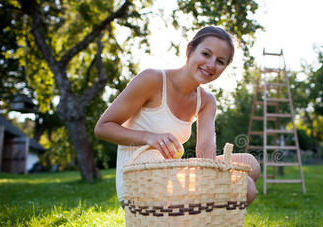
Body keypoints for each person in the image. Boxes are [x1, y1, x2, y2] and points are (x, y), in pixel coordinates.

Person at [94, 26, 260, 208]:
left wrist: (216, 176)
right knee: (241, 184)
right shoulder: (152, 79)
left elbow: (206, 155)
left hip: (172, 176)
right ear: (189, 50)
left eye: (220, 61)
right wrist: (149, 137)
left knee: (250, 166)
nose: (211, 65)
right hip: (138, 178)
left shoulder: (206, 101)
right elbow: (103, 127)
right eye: (206, 54)